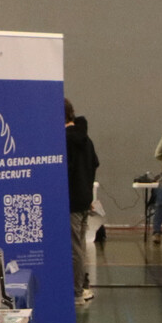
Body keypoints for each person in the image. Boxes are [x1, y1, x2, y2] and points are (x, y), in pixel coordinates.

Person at [66, 99, 101, 303]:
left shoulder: (65, 140)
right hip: (83, 200)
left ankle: (77, 291)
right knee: (79, 246)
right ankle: (81, 285)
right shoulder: (85, 139)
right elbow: (94, 164)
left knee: (74, 247)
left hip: (71, 201)